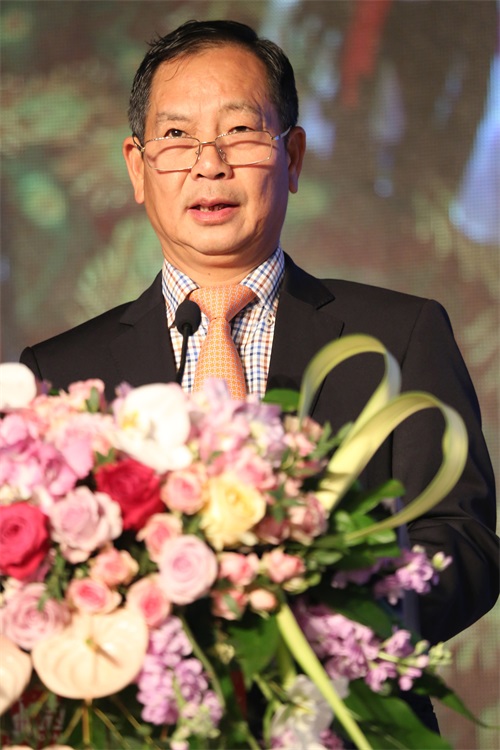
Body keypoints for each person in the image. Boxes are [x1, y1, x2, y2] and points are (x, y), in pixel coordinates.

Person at [20, 18, 498, 732]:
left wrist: (322, 615)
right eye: (177, 136)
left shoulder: (399, 336)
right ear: (137, 168)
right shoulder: (62, 373)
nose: (209, 164)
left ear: (292, 157)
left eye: (241, 132)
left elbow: (464, 544)